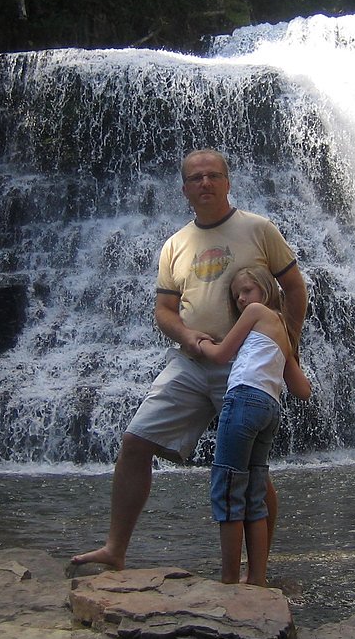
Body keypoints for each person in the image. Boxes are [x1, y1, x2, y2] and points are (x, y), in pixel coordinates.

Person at [71, 148, 307, 571]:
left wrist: (288, 349)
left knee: (252, 469)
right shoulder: (175, 245)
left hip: (245, 366)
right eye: (196, 178)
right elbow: (164, 310)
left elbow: (294, 287)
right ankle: (115, 551)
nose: (205, 183)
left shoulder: (258, 229)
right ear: (184, 188)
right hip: (193, 360)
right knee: (135, 442)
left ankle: (258, 577)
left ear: (228, 182)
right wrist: (189, 337)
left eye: (213, 175)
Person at [197, 266, 310, 586]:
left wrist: (198, 342)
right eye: (236, 295)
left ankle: (230, 580)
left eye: (247, 290)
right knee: (254, 494)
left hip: (244, 399)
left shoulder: (257, 312)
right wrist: (288, 357)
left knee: (229, 488)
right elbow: (303, 391)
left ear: (265, 289)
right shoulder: (284, 331)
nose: (242, 299)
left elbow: (220, 355)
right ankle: (257, 578)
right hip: (269, 410)